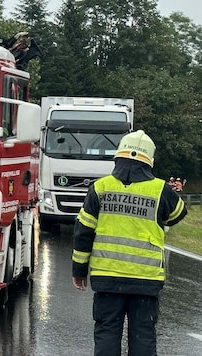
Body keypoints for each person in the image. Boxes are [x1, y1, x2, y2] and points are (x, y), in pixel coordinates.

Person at [71, 130, 187, 356]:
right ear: (149, 161)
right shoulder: (160, 189)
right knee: (143, 336)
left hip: (107, 279)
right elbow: (178, 213)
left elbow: (83, 232)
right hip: (145, 281)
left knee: (107, 333)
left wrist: (79, 271)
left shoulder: (100, 188)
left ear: (118, 157)